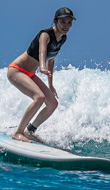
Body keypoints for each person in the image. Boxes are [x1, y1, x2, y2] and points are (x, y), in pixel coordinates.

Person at [5, 7, 75, 142]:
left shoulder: (62, 38)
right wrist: (42, 67)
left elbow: (52, 59)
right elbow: (42, 52)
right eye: (63, 22)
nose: (66, 26)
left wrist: (51, 85)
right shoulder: (45, 34)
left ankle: (29, 131)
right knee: (39, 97)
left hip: (30, 74)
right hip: (16, 70)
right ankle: (18, 132)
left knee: (52, 103)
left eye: (69, 22)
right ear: (55, 21)